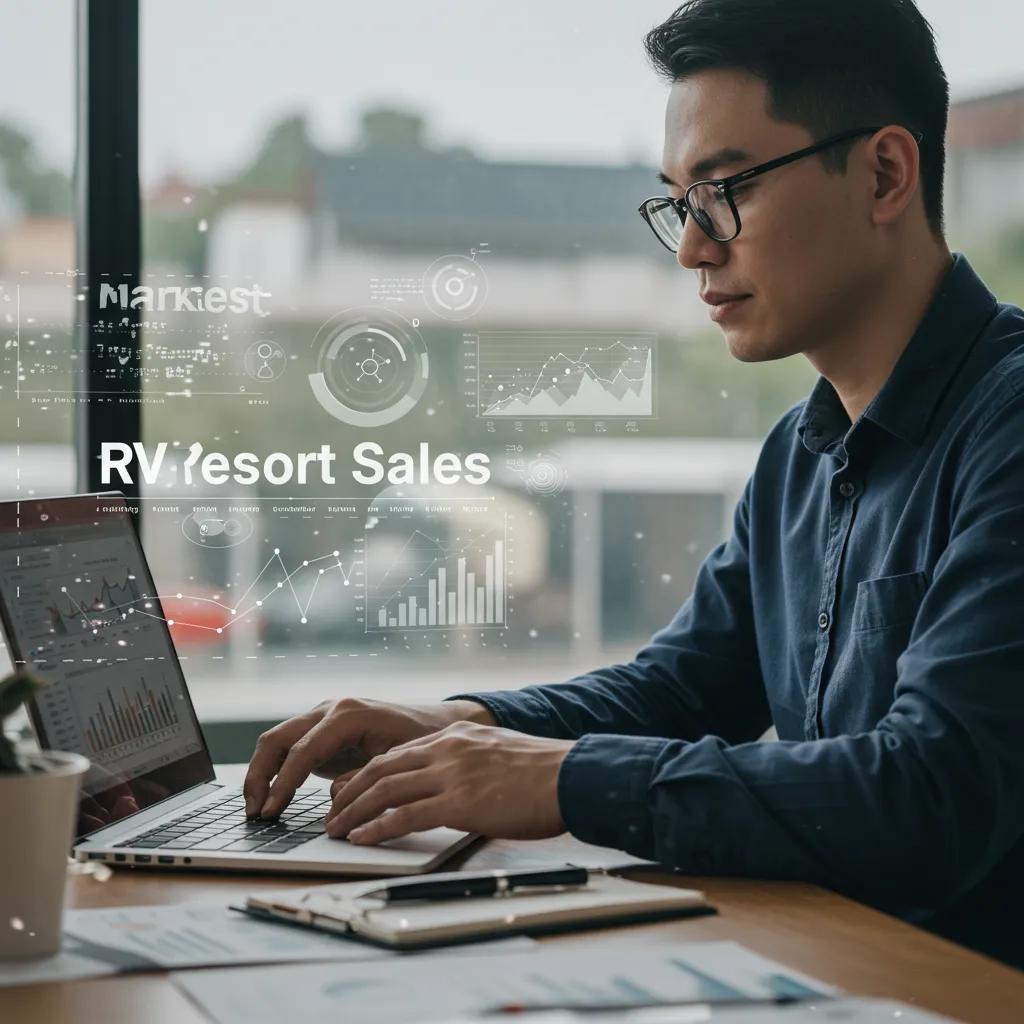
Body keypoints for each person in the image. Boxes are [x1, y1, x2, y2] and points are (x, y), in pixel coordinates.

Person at [244, 0, 1024, 967]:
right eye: (678, 204)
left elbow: (935, 793)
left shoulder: (1008, 429)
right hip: (844, 972)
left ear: (884, 174)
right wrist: (459, 725)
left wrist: (561, 780)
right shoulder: (800, 453)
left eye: (725, 190)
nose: (694, 247)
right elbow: (683, 689)